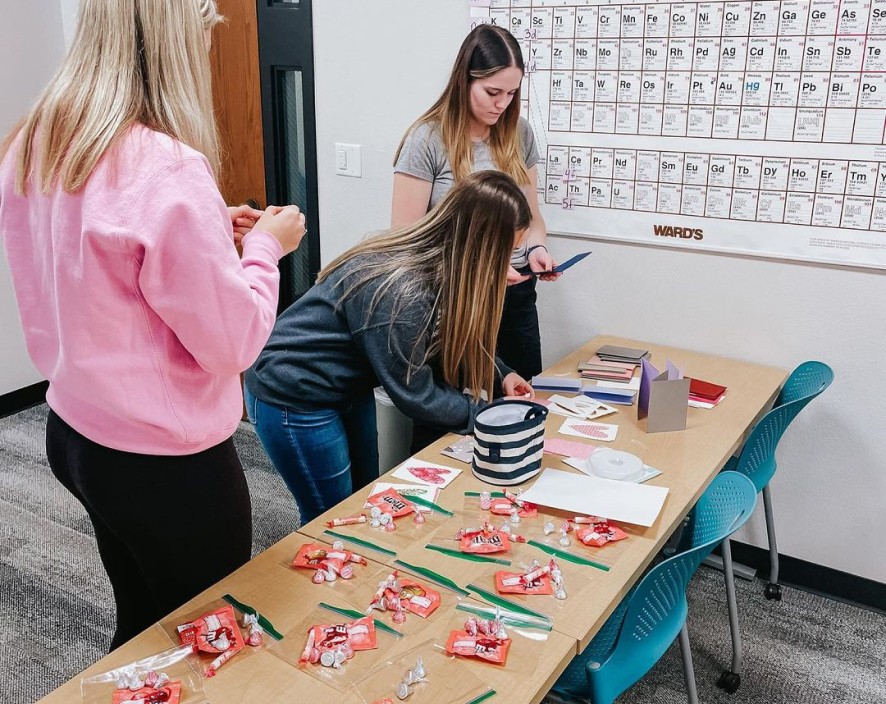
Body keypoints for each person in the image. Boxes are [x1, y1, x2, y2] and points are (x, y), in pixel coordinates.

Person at [0, 0, 305, 650]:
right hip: (164, 466)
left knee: (141, 622)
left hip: (76, 433)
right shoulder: (166, 167)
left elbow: (96, 258)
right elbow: (234, 343)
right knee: (207, 646)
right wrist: (265, 248)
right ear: (172, 39)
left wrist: (206, 227)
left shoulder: (39, 137)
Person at [245, 171, 535, 523]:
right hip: (294, 392)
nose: (509, 265)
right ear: (481, 247)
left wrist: (501, 374)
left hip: (346, 385)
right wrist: (488, 416)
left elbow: (450, 334)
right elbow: (415, 394)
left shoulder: (442, 265)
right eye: (507, 252)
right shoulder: (404, 291)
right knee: (331, 518)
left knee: (364, 503)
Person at [392, 24, 560, 384]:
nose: (502, 104)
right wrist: (480, 267)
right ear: (464, 81)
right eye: (492, 92)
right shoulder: (426, 140)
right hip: (454, 299)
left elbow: (532, 218)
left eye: (512, 93)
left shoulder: (520, 133)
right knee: (452, 406)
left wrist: (537, 248)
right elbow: (406, 244)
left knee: (523, 395)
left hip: (515, 295)